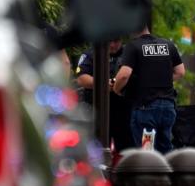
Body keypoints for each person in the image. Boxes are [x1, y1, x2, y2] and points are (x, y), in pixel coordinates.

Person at [113, 26, 185, 154]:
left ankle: (149, 174)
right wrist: (160, 79)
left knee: (147, 152)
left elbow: (124, 75)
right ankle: (165, 173)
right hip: (168, 107)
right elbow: (180, 72)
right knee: (165, 150)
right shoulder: (168, 45)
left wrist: (116, 89)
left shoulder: (133, 46)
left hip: (146, 109)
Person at [76, 38, 135, 152]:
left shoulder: (130, 54)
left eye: (116, 41)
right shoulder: (91, 54)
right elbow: (81, 79)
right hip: (97, 111)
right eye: (110, 41)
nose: (112, 45)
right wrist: (104, 83)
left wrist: (115, 83)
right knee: (96, 150)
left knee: (127, 151)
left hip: (123, 112)